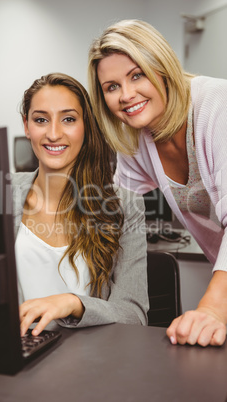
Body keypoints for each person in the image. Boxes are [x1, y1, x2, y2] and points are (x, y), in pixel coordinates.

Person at [87, 19, 227, 347]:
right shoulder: (137, 141)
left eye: (137, 75)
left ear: (161, 68)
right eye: (111, 86)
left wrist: (213, 308)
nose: (126, 95)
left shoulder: (217, 106)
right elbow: (112, 218)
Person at [12, 72, 149, 336]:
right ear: (27, 126)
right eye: (41, 119)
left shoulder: (124, 205)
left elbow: (134, 314)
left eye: (68, 119)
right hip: (17, 355)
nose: (53, 133)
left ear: (86, 127)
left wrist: (73, 303)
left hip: (89, 362)